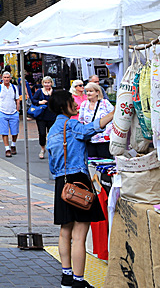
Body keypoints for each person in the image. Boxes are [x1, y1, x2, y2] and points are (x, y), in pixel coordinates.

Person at [47, 90, 114, 288]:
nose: (77, 104)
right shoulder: (71, 125)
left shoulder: (52, 129)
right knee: (79, 235)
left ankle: (67, 277)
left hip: (62, 182)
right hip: (78, 181)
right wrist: (112, 115)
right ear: (63, 106)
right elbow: (92, 129)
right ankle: (78, 280)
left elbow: (52, 163)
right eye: (72, 102)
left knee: (64, 231)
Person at [77, 82, 114, 159]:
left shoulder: (105, 103)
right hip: (89, 139)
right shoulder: (84, 104)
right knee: (91, 162)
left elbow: (113, 117)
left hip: (103, 139)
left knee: (105, 160)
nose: (88, 93)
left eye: (91, 91)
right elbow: (81, 121)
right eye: (87, 91)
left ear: (97, 92)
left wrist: (108, 132)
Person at [0, 72, 20, 158]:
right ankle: (7, 148)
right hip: (3, 112)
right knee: (4, 132)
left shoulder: (14, 87)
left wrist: (17, 110)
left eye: (8, 77)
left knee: (15, 131)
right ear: (2, 78)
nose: (6, 79)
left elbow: (17, 99)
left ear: (10, 78)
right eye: (5, 77)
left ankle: (13, 144)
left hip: (13, 112)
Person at [31, 76, 57, 160]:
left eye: (48, 82)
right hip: (41, 116)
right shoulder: (39, 91)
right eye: (45, 83)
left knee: (51, 134)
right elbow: (33, 100)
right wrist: (39, 102)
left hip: (52, 116)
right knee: (42, 133)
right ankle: (42, 148)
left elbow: (58, 102)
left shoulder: (54, 92)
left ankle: (51, 149)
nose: (47, 84)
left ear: (51, 83)